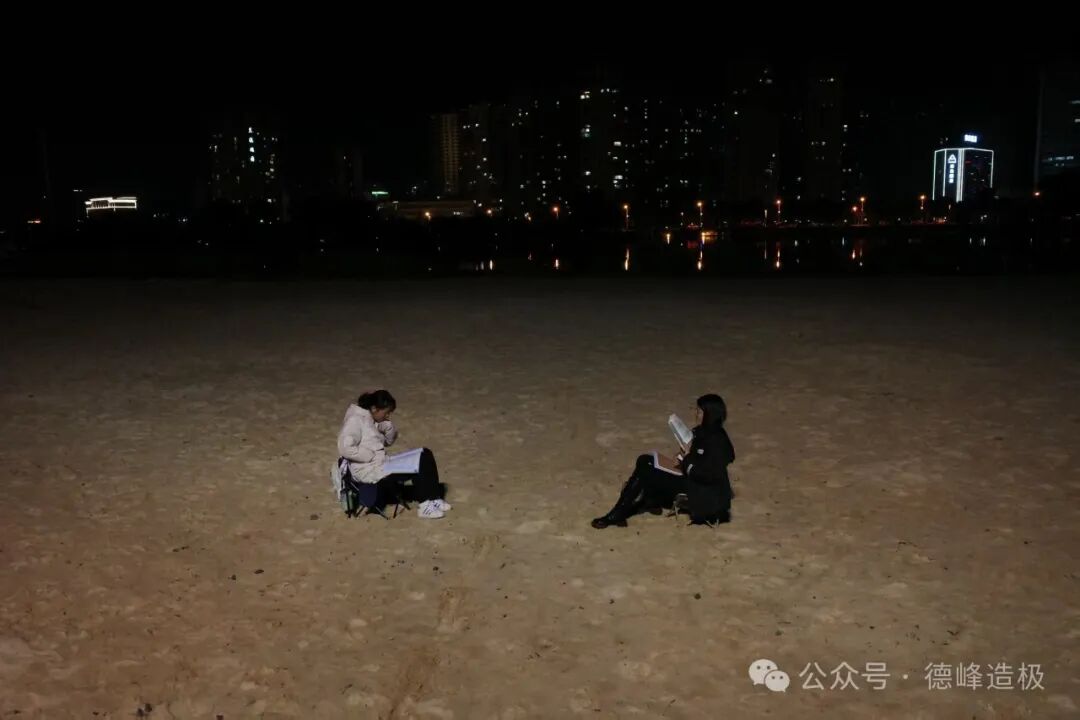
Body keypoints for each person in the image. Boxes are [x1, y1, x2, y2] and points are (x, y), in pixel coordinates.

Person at [591, 393, 735, 528]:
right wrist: (681, 457)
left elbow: (705, 475)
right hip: (691, 478)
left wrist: (686, 459)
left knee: (646, 465)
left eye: (699, 412)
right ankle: (644, 502)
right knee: (647, 461)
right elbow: (695, 455)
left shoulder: (717, 441)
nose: (696, 415)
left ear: (710, 415)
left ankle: (621, 512)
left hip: (700, 491)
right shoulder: (703, 431)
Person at [337, 389, 450, 519]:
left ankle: (433, 498)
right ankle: (425, 505)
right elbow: (345, 448)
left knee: (425, 453)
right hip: (370, 471)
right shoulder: (355, 420)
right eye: (386, 412)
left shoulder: (370, 419)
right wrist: (369, 455)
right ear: (374, 409)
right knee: (420, 461)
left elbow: (387, 442)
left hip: (381, 463)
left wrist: (388, 428)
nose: (388, 416)